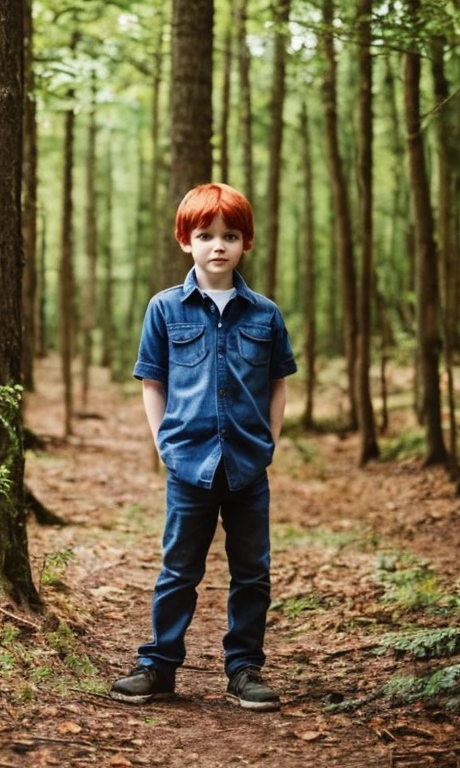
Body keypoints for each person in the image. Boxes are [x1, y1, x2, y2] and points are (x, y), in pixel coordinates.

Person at [111, 183, 297, 711]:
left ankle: (244, 669)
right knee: (179, 570)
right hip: (188, 464)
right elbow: (152, 380)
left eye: (230, 235)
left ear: (245, 243)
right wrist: (163, 443)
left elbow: (279, 382)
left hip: (246, 466)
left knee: (252, 572)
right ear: (185, 241)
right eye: (206, 235)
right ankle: (159, 666)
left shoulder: (264, 314)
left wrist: (269, 442)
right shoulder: (165, 309)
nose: (218, 245)